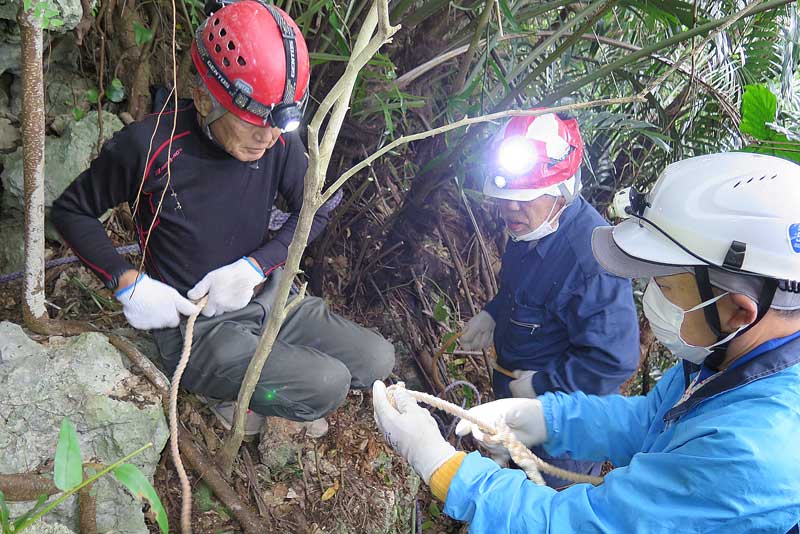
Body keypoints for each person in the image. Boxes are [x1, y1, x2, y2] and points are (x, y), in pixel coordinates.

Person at [373, 151, 800, 533]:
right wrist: (545, 417)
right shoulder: (725, 360)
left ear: (738, 311)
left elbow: (582, 524)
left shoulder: (754, 452)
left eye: (667, 287)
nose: (651, 300)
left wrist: (442, 465)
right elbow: (651, 419)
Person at [50, 0, 394, 435]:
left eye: (276, 125)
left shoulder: (277, 142)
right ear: (202, 97)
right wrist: (127, 282)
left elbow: (319, 206)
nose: (266, 138)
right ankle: (233, 393)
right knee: (327, 385)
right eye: (252, 123)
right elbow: (71, 210)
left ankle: (276, 368)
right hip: (196, 327)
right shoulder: (149, 148)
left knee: (378, 359)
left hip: (265, 295)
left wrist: (257, 265)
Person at [458, 111, 639, 486]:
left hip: (562, 431)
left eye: (524, 197)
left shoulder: (591, 260)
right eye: (507, 196)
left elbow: (614, 361)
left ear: (563, 191)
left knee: (548, 509)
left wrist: (542, 385)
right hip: (514, 390)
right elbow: (524, 289)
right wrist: (493, 312)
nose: (510, 207)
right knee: (514, 488)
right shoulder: (531, 226)